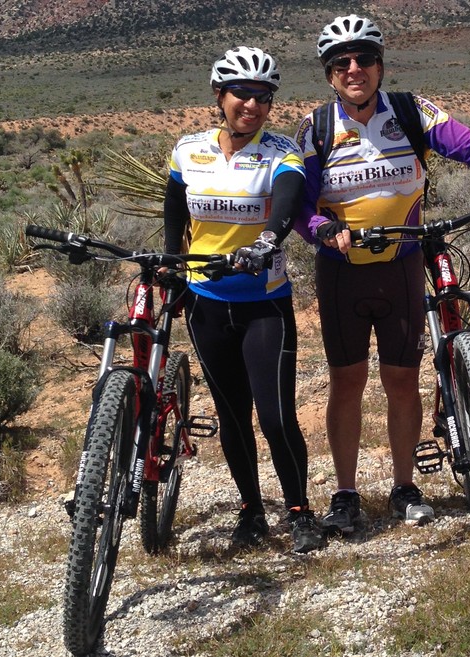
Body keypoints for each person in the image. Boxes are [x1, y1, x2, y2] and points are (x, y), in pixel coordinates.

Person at [294, 15, 470, 535]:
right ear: (328, 75)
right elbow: (299, 205)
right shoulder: (316, 128)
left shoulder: (412, 112)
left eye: (364, 58)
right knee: (347, 382)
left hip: (403, 265)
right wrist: (322, 228)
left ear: (380, 65)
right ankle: (345, 493)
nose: (354, 69)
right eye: (340, 63)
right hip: (343, 272)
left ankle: (404, 486)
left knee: (402, 379)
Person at [163, 46, 324, 553]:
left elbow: (286, 203)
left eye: (263, 96)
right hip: (205, 301)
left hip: (263, 303)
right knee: (232, 415)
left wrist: (265, 243)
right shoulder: (188, 151)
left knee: (275, 416)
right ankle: (251, 509)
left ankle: (299, 511)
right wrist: (171, 263)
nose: (251, 105)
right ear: (219, 96)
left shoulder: (281, 152)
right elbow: (174, 215)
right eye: (242, 94)